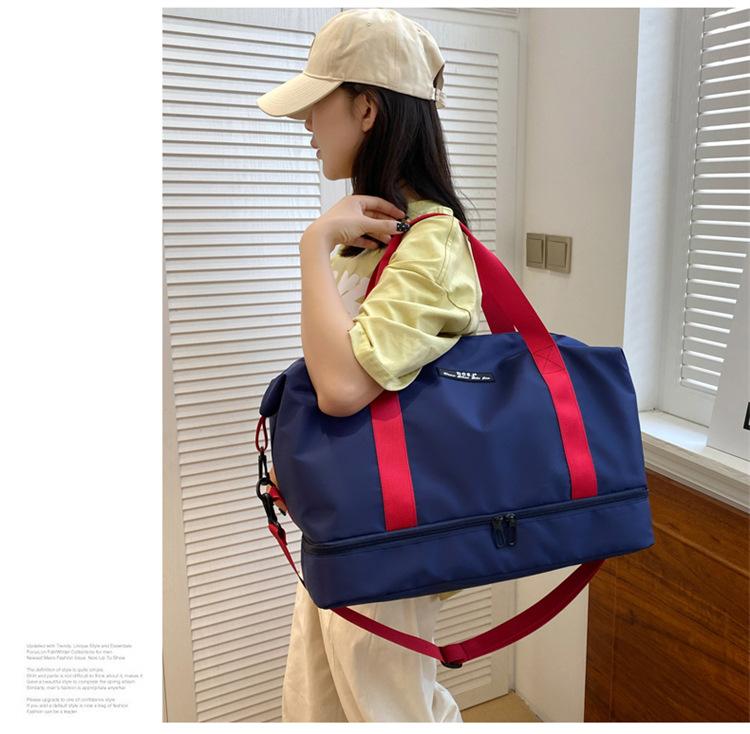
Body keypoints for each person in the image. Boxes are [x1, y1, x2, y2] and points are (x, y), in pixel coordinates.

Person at [256, 8, 482, 723]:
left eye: (317, 103)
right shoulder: (374, 233)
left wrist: (311, 242)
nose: (306, 123)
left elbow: (342, 388)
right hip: (351, 516)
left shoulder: (431, 242)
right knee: (321, 698)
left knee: (388, 709)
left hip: (393, 531)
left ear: (367, 109)